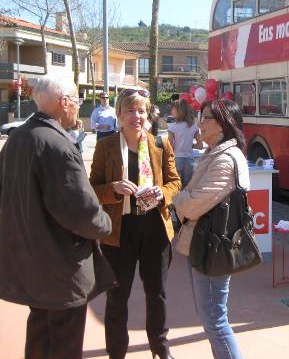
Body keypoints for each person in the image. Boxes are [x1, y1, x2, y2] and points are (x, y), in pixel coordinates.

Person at [0, 75, 116, 359]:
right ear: (64, 103)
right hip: (60, 267)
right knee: (64, 343)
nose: (77, 107)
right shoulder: (56, 145)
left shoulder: (17, 138)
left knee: (39, 335)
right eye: (76, 101)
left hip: (30, 262)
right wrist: (106, 223)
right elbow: (81, 211)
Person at [89, 88, 181, 359]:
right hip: (120, 231)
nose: (136, 116)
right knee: (117, 298)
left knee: (158, 294)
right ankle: (116, 352)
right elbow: (92, 187)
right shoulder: (106, 146)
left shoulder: (160, 144)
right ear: (118, 114)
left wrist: (162, 194)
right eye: (130, 110)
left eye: (141, 110)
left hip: (154, 228)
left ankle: (160, 350)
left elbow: (175, 183)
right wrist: (113, 188)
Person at [172, 99, 249, 359]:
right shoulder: (215, 154)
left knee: (215, 320)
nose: (199, 124)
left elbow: (192, 206)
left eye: (205, 118)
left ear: (224, 124)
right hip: (206, 245)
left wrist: (177, 198)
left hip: (212, 247)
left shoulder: (224, 160)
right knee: (211, 318)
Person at [168, 99, 203, 188]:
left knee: (176, 186)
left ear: (178, 111)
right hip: (189, 160)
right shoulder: (193, 127)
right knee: (187, 187)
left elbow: (169, 147)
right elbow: (200, 146)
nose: (171, 111)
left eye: (172, 109)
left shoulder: (172, 127)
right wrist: (190, 145)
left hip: (176, 159)